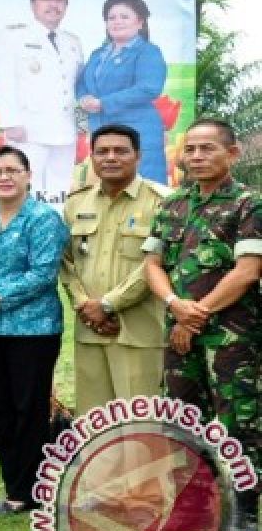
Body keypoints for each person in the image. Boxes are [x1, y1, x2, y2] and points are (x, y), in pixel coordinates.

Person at [143, 118, 261, 531]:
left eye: (206, 148)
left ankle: (246, 510)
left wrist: (200, 313)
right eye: (190, 149)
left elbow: (248, 270)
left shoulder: (249, 204)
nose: (196, 156)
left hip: (231, 339)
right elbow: (153, 264)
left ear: (231, 154)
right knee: (181, 415)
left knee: (238, 420)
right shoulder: (172, 205)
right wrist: (177, 307)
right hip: (180, 333)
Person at [0, 145, 69, 516]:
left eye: (12, 170)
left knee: (30, 409)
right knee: (1, 409)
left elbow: (42, 274)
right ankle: (14, 489)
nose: (5, 177)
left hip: (34, 329)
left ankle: (35, 492)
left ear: (27, 175)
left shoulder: (44, 219)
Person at [61, 124, 169, 414]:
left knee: (141, 423)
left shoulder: (163, 202)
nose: (110, 157)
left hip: (140, 331)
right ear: (91, 158)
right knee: (94, 424)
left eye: (121, 151)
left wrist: (109, 305)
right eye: (102, 151)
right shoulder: (75, 203)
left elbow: (156, 264)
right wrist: (85, 305)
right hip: (90, 331)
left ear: (138, 156)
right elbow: (66, 263)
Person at [0, 0, 84, 195]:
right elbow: (4, 80)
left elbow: (77, 86)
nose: (54, 5)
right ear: (33, 3)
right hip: (27, 130)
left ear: (66, 5)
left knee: (60, 190)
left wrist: (82, 124)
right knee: (26, 188)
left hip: (65, 129)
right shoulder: (13, 37)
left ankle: (56, 230)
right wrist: (10, 121)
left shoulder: (73, 42)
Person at [76, 0, 169, 184]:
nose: (117, 22)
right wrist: (83, 97)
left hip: (139, 134)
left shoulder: (148, 51)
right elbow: (81, 81)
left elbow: (149, 88)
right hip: (103, 132)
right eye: (111, 17)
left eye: (124, 17)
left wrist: (103, 103)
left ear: (140, 22)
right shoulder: (98, 53)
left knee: (145, 191)